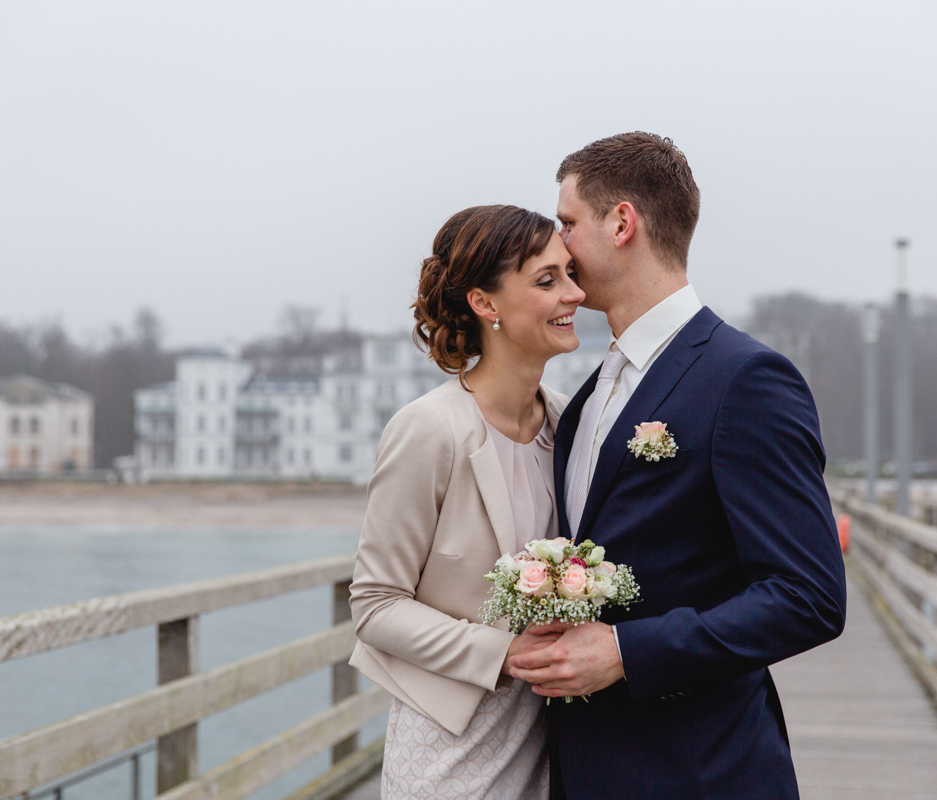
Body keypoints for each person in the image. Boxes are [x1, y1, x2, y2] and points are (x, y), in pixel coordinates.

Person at [508, 132, 847, 799]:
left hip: (700, 769)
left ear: (623, 223)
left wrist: (628, 651)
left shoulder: (746, 380)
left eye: (569, 223)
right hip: (583, 766)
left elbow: (809, 596)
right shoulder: (584, 400)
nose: (558, 243)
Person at [348, 204, 586, 799]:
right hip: (450, 751)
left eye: (571, 274)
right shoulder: (429, 428)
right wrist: (505, 655)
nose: (575, 294)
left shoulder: (570, 423)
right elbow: (375, 605)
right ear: (485, 303)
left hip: (554, 746)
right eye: (547, 280)